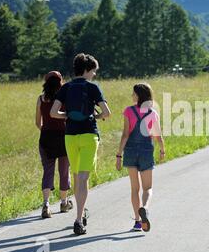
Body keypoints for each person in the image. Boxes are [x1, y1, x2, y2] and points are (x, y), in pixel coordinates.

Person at [50, 54, 111, 235]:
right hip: (88, 135)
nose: (94, 75)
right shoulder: (92, 87)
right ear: (86, 70)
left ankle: (81, 212)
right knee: (83, 178)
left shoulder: (66, 87)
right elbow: (107, 112)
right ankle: (78, 219)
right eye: (93, 71)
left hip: (70, 136)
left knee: (77, 177)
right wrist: (96, 116)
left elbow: (54, 113)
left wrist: (67, 116)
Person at [116, 83, 165, 232]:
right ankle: (144, 208)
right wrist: (162, 150)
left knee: (134, 189)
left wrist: (119, 155)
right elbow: (158, 136)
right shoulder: (153, 113)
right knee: (148, 188)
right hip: (146, 151)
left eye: (133, 93)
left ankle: (137, 221)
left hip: (130, 151)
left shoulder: (128, 111)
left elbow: (125, 135)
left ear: (138, 96)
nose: (131, 96)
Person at [36, 71, 73, 219]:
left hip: (46, 138)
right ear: (61, 82)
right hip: (63, 137)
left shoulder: (41, 99)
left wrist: (46, 130)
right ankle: (64, 202)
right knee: (64, 171)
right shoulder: (64, 98)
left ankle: (46, 204)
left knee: (48, 171)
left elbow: (38, 123)